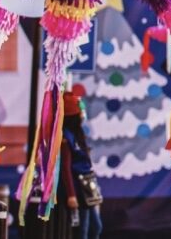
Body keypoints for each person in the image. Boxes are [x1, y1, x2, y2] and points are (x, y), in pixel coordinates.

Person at [61, 91, 103, 239]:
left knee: (96, 227)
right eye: (79, 113)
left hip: (87, 184)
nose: (82, 116)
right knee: (83, 230)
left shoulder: (78, 134)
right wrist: (71, 195)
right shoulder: (66, 137)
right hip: (78, 188)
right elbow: (65, 168)